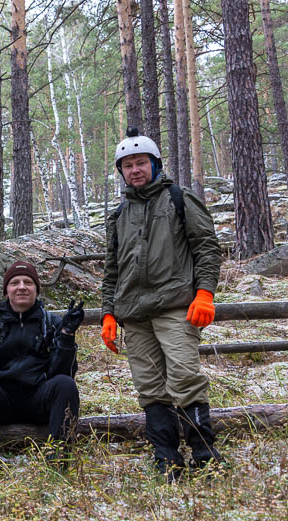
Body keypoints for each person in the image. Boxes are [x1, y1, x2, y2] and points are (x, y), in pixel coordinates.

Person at [101, 127, 223, 481]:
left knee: (185, 378)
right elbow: (112, 269)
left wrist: (205, 293)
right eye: (128, 165)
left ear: (155, 164)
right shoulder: (119, 214)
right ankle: (166, 458)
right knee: (150, 388)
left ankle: (204, 453)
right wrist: (108, 312)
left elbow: (207, 249)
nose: (135, 170)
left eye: (141, 163)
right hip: (134, 315)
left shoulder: (179, 198)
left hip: (175, 307)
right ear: (121, 171)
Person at [0, 260, 84, 478]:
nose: (21, 287)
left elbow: (64, 372)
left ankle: (58, 459)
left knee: (66, 385)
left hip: (39, 400)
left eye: (28, 282)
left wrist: (66, 337)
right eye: (15, 283)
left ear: (36, 289)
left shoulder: (52, 322)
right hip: (2, 402)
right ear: (6, 290)